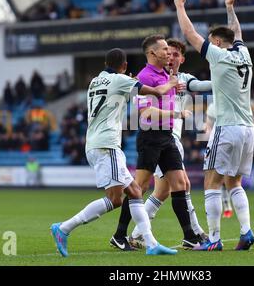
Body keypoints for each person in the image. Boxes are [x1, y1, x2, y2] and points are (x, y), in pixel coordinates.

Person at [50, 48, 178, 256]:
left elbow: (120, 94)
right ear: (124, 66)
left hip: (95, 142)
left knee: (135, 192)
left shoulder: (95, 81)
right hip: (106, 144)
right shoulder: (120, 80)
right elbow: (156, 92)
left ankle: (152, 244)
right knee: (115, 198)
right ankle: (63, 228)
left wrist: (130, 81)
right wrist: (171, 84)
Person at [172, 0, 254, 251]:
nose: (208, 43)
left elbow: (189, 34)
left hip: (227, 127)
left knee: (211, 181)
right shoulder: (244, 54)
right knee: (234, 182)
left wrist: (180, 6)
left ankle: (215, 239)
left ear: (217, 42)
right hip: (248, 129)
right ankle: (246, 232)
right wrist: (230, 7)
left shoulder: (218, 55)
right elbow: (238, 33)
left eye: (211, 40)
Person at [110, 34, 203, 251]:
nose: (168, 53)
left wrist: (174, 89)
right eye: (163, 50)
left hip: (167, 136)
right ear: (152, 53)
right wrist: (176, 112)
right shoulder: (145, 77)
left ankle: (190, 236)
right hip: (150, 137)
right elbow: (146, 111)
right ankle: (120, 234)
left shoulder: (166, 75)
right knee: (138, 188)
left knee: (180, 184)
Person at [206, 102, 233, 218]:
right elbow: (208, 126)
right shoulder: (212, 107)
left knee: (229, 179)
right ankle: (226, 207)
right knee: (217, 177)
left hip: (231, 142)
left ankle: (227, 206)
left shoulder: (231, 102)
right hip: (216, 143)